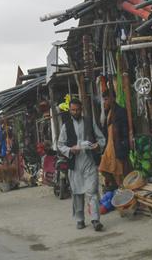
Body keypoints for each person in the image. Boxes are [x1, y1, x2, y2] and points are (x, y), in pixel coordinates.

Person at [56, 97, 106, 231]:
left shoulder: (89, 122)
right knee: (77, 193)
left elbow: (101, 139)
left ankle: (95, 220)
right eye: (73, 110)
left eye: (78, 110)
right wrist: (71, 150)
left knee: (92, 191)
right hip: (75, 163)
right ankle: (80, 219)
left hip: (89, 161)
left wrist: (97, 146)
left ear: (81, 109)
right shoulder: (66, 126)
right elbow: (60, 145)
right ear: (70, 111)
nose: (75, 112)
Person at [99, 89, 131, 188]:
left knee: (119, 172)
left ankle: (121, 189)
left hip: (118, 146)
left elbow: (125, 130)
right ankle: (116, 187)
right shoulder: (108, 112)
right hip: (110, 146)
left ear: (112, 99)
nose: (105, 102)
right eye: (104, 100)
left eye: (106, 99)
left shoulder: (120, 111)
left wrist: (123, 144)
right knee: (104, 169)